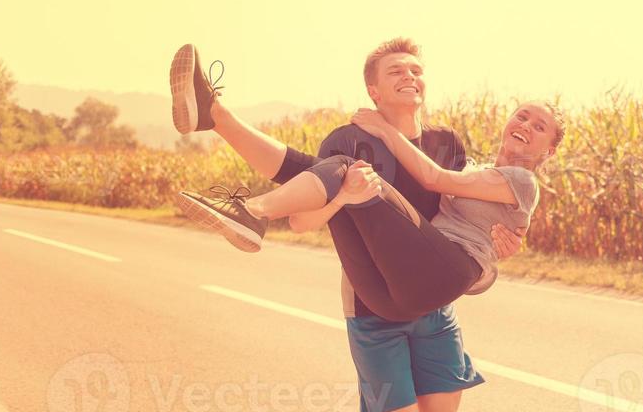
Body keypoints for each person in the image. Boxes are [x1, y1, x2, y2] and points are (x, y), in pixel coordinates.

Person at [167, 39, 533, 412]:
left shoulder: (446, 147)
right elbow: (306, 193)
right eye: (394, 71)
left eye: (415, 69)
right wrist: (335, 189)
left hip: (432, 303)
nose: (409, 76)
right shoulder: (351, 138)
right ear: (373, 89)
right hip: (374, 301)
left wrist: (503, 239)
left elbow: (461, 203)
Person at [176, 99, 560, 318]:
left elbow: (433, 178)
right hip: (392, 298)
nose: (526, 124)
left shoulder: (523, 181)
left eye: (539, 126)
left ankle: (253, 211)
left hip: (440, 273)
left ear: (549, 150)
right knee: (342, 182)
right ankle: (216, 118)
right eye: (522, 115)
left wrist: (383, 129)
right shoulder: (478, 170)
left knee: (350, 169)